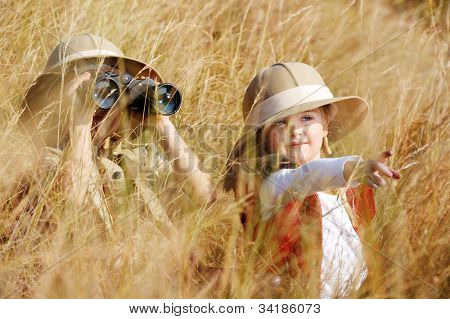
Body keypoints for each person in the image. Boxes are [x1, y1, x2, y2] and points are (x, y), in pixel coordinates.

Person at [224, 62, 401, 298]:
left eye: (306, 118)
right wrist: (352, 168)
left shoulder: (348, 195)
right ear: (264, 138)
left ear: (326, 125)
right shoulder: (272, 187)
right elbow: (307, 176)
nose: (294, 130)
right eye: (280, 122)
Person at [14, 34, 215, 234]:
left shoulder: (133, 161)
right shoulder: (42, 163)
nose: (101, 106)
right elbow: (71, 206)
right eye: (95, 89)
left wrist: (162, 123)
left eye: (113, 91)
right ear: (57, 98)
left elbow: (203, 194)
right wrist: (80, 120)